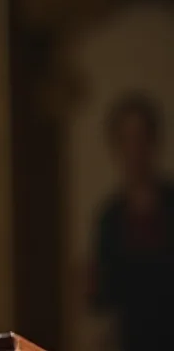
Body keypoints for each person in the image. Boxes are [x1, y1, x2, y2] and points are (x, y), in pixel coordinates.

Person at [91, 93, 174, 350]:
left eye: (140, 138)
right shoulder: (110, 217)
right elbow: (104, 297)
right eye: (126, 140)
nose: (134, 149)